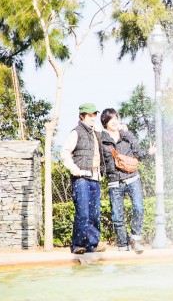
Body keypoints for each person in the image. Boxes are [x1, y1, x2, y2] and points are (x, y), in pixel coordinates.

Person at [100, 108, 155, 254]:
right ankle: (123, 246)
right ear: (105, 122)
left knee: (139, 208)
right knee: (117, 217)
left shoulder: (126, 135)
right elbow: (100, 161)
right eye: (111, 119)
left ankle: (135, 239)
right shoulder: (101, 140)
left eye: (116, 118)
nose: (114, 121)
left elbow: (137, 152)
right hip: (114, 181)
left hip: (132, 178)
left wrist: (148, 153)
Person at [61, 103, 106, 254]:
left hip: (95, 177)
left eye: (94, 115)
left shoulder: (96, 132)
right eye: (90, 115)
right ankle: (78, 244)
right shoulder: (76, 132)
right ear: (82, 116)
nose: (93, 118)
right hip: (81, 178)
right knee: (83, 213)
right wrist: (75, 170)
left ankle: (92, 244)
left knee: (95, 214)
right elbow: (65, 153)